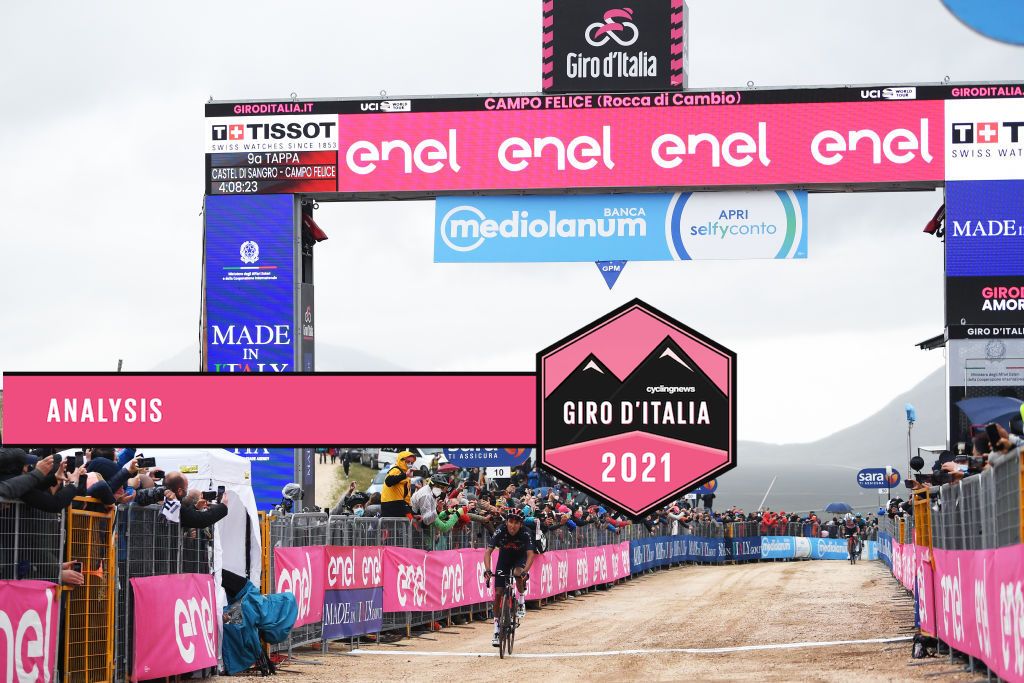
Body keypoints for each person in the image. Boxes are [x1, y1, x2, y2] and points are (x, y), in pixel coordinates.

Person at [483, 507, 535, 647]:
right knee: (498, 593)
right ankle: (496, 629)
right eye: (510, 522)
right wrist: (488, 570)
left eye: (516, 523)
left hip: (520, 557)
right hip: (504, 559)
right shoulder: (500, 530)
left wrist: (525, 571)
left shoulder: (526, 532)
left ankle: (522, 599)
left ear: (521, 524)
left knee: (518, 573)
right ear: (506, 522)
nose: (513, 525)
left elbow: (531, 554)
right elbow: (488, 552)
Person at [380, 451, 418, 518]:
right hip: (391, 503)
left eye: (412, 462)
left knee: (410, 522)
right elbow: (388, 481)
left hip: (399, 503)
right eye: (408, 462)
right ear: (401, 460)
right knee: (410, 523)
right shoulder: (396, 469)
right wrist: (405, 475)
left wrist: (413, 514)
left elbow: (406, 496)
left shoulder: (406, 474)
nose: (410, 464)